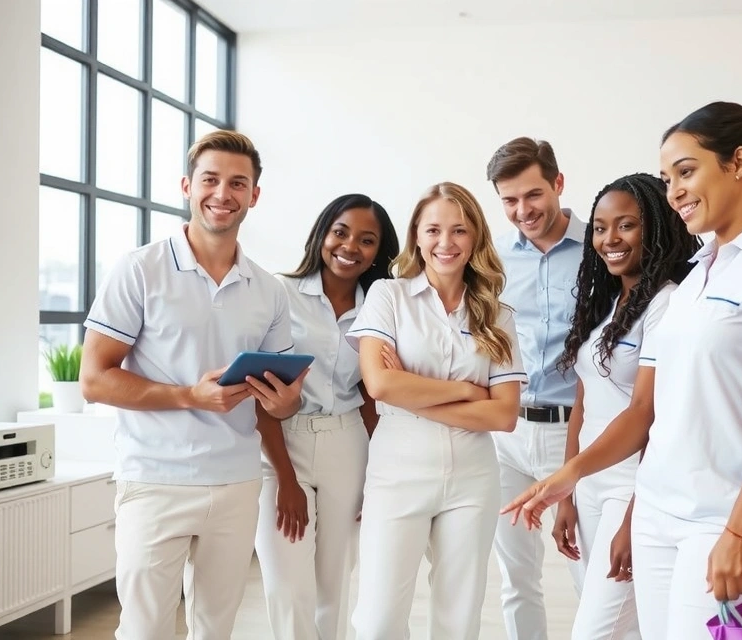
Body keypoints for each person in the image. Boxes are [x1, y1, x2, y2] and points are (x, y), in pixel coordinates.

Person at [502, 101, 742, 639]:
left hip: (723, 517)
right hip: (659, 512)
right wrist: (566, 479)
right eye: (668, 179)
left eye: (686, 172)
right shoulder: (696, 276)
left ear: (737, 163)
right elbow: (645, 411)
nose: (675, 191)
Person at [79, 130, 304, 639]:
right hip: (155, 480)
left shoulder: (268, 290)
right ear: (187, 185)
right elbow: (93, 380)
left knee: (214, 629)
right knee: (145, 630)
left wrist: (287, 403)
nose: (222, 194)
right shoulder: (139, 269)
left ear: (254, 195)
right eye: (210, 179)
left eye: (237, 183)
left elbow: (276, 407)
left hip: (237, 483)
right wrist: (188, 396)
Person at [345, 182, 527, 640]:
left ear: (475, 238)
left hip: (473, 477)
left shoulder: (496, 315)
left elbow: (504, 416)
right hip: (397, 472)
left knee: (458, 617)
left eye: (459, 231)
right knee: (378, 619)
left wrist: (417, 391)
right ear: (417, 237)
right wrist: (467, 391)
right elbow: (381, 384)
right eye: (434, 230)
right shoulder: (388, 296)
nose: (446, 243)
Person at [553, 173, 701, 639]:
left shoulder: (668, 305)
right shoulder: (606, 303)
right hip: (590, 485)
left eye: (626, 226)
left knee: (594, 632)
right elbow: (582, 401)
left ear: (656, 228)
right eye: (599, 227)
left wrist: (637, 516)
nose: (609, 239)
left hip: (633, 488)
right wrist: (567, 492)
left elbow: (654, 419)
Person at [253, 194, 400, 640]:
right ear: (323, 233)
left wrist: (378, 471)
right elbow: (260, 393)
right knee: (285, 585)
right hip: (283, 444)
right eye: (341, 232)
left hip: (348, 443)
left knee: (334, 583)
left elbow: (370, 392)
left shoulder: (381, 304)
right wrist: (286, 479)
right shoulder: (279, 293)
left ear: (379, 250)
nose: (350, 246)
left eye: (367, 239)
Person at [486, 136, 586, 640]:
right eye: (509, 200)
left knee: (593, 574)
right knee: (516, 576)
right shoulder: (494, 260)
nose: (522, 210)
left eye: (533, 195)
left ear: (558, 184)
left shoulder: (602, 248)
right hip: (508, 434)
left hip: (577, 432)